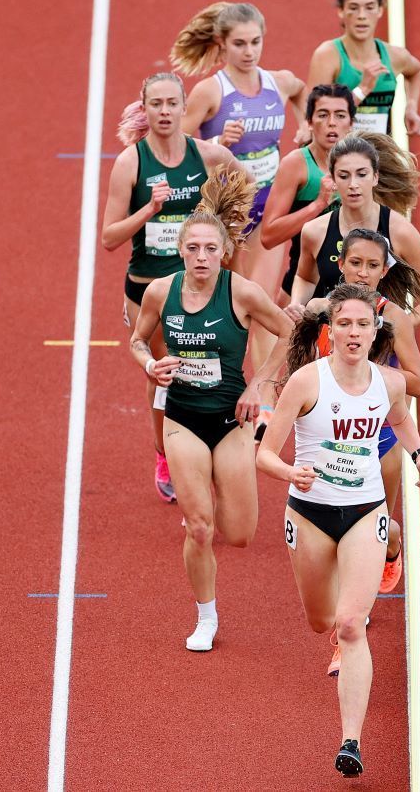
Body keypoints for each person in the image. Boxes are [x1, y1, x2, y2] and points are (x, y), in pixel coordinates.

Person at [256, 282, 420, 777]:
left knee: (351, 624)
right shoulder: (307, 383)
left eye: (362, 324)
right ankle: (334, 621)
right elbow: (264, 454)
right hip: (309, 514)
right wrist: (289, 471)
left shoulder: (389, 382)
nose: (354, 333)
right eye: (344, 324)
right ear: (329, 332)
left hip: (365, 512)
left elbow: (400, 419)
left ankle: (350, 741)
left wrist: (419, 456)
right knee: (321, 621)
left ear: (374, 331)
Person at [129, 169, 293, 652]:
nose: (202, 257)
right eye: (193, 248)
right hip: (182, 419)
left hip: (231, 422)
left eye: (210, 249)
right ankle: (206, 616)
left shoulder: (241, 291)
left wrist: (258, 388)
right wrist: (150, 364)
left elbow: (286, 332)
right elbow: (138, 339)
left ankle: (212, 490)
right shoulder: (161, 292)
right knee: (200, 527)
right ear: (181, 250)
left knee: (238, 534)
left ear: (223, 252)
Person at [103, 72, 246, 503]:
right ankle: (165, 451)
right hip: (151, 288)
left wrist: (228, 238)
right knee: (164, 373)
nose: (164, 112)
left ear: (185, 108)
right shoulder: (132, 162)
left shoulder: (206, 154)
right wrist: (150, 208)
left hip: (203, 284)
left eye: (171, 104)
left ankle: (206, 448)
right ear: (144, 110)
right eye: (156, 105)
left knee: (207, 365)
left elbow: (244, 188)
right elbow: (109, 237)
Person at [291, 228, 420, 592]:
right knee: (331, 521)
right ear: (340, 264)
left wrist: (371, 374)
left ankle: (391, 542)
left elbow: (418, 381)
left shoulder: (394, 317)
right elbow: (298, 366)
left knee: (371, 520)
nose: (363, 272)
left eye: (372, 265)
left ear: (385, 271)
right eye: (356, 263)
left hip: (379, 433)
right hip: (327, 433)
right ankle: (348, 609)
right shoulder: (320, 311)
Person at [170, 1, 308, 369]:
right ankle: (221, 382)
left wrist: (306, 126)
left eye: (256, 42)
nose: (249, 52)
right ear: (222, 44)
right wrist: (218, 145)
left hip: (268, 209)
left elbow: (300, 91)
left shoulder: (277, 83)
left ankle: (265, 403)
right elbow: (173, 148)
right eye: (240, 44)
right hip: (227, 214)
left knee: (261, 303)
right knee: (229, 306)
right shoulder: (210, 92)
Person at [290, 132, 420, 325]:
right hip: (331, 346)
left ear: (375, 177)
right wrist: (296, 304)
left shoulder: (399, 231)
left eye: (362, 174)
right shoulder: (315, 231)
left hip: (380, 352)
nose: (353, 184)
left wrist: (393, 329)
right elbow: (305, 278)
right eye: (344, 176)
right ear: (332, 179)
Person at [259, 84, 357, 303]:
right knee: (279, 337)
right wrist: (318, 205)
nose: (332, 122)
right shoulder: (296, 165)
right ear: (309, 122)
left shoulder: (363, 165)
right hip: (302, 286)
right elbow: (268, 236)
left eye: (340, 115)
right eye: (323, 115)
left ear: (351, 123)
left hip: (354, 285)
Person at [307, 0, 420, 136]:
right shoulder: (328, 56)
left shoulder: (394, 56)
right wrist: (361, 90)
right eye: (354, 8)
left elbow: (416, 71)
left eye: (369, 7)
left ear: (380, 10)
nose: (362, 15)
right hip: (341, 158)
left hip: (381, 158)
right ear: (341, 11)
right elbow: (314, 117)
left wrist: (411, 107)